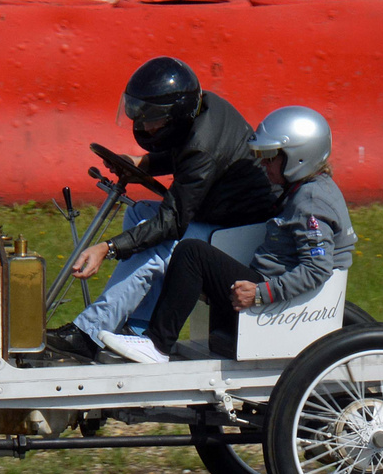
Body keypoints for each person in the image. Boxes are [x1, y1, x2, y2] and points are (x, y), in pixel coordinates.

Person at [46, 56, 277, 360]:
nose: (143, 125)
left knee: (156, 244)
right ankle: (139, 326)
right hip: (220, 214)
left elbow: (173, 221)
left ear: (177, 115)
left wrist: (108, 247)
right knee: (139, 213)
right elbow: (182, 154)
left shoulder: (202, 147)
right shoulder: (201, 111)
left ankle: (89, 333)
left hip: (238, 233)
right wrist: (138, 163)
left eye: (151, 117)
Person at [97, 105, 356, 364]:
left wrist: (261, 292)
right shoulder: (305, 189)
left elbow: (316, 269)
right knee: (196, 253)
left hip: (268, 292)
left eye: (270, 157)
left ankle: (157, 344)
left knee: (191, 253)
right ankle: (141, 330)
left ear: (299, 157)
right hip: (264, 281)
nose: (264, 164)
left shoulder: (311, 201)